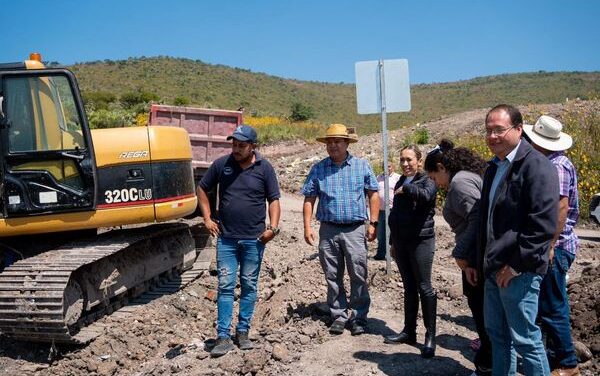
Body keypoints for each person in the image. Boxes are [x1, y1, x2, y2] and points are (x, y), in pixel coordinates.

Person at [477, 104, 559, 375]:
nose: (492, 136)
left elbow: (542, 226)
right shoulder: (494, 167)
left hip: (518, 271)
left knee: (525, 340)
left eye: (499, 130)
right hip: (494, 267)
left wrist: (515, 266)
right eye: (488, 130)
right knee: (498, 336)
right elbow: (486, 218)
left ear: (519, 129)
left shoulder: (536, 166)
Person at [197, 125, 281, 357]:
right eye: (234, 144)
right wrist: (206, 218)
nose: (236, 149)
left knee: (249, 285)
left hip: (254, 240)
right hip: (227, 240)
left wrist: (273, 228)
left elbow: (274, 200)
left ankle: (242, 332)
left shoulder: (265, 168)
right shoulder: (221, 165)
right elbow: (202, 189)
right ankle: (222, 336)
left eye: (241, 145)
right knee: (225, 285)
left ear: (253, 146)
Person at [302, 123, 379, 336]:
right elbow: (309, 199)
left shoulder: (361, 166)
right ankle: (338, 315)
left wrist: (373, 223)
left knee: (358, 273)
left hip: (355, 229)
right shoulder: (318, 168)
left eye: (337, 141)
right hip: (328, 230)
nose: (333, 145)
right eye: (329, 142)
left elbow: (373, 194)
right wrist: (307, 226)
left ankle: (359, 317)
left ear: (347, 143)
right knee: (332, 274)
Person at [424, 139, 492, 375]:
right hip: (476, 254)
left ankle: (486, 366)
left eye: (433, 177)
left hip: (475, 257)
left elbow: (477, 221)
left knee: (484, 317)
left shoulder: (460, 183)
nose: (435, 183)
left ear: (442, 167)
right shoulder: (466, 177)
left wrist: (461, 254)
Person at [524, 115, 581, 376]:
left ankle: (567, 363)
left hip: (556, 246)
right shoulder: (554, 162)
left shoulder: (555, 166)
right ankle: (554, 356)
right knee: (547, 302)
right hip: (555, 244)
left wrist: (549, 243)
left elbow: (560, 207)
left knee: (552, 304)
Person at [383, 145, 438, 358]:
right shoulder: (401, 180)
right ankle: (409, 331)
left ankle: (430, 336)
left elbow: (425, 197)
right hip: (402, 242)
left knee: (425, 287)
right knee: (409, 288)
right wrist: (392, 242)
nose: (405, 164)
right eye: (402, 160)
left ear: (419, 161)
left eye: (409, 160)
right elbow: (397, 213)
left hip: (421, 241)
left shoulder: (427, 180)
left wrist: (408, 190)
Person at [374, 161, 401, 260]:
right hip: (380, 210)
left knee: (392, 233)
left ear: (393, 166)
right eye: (384, 166)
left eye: (389, 166)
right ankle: (380, 253)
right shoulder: (378, 177)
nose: (387, 168)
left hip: (392, 209)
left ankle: (392, 254)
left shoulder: (397, 177)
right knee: (381, 233)